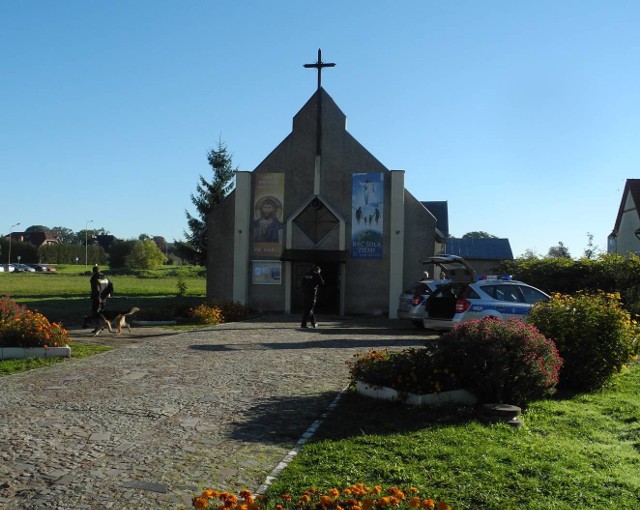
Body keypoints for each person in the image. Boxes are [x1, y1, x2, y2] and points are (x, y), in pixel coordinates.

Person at [89, 265, 112, 334]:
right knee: (101, 312)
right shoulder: (105, 277)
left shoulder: (94, 278)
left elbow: (96, 289)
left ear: (93, 271)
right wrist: (109, 293)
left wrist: (97, 297)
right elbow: (110, 285)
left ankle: (99, 327)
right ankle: (101, 327)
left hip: (97, 298)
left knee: (96, 313)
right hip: (104, 298)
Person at [300, 264, 324, 329]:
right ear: (317, 270)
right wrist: (318, 274)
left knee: (308, 309)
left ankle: (314, 323)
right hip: (312, 295)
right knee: (308, 309)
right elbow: (322, 283)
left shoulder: (306, 274)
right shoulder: (316, 275)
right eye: (319, 271)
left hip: (305, 294)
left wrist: (303, 291)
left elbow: (302, 283)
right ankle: (303, 324)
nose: (319, 273)